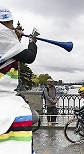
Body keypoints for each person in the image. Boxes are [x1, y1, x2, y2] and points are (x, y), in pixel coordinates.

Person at [0, 6, 37, 154]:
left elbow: (10, 53)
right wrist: (32, 42)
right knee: (28, 116)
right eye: (11, 23)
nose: (13, 27)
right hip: (4, 95)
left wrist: (16, 39)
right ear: (4, 22)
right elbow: (29, 57)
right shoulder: (3, 35)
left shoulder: (6, 39)